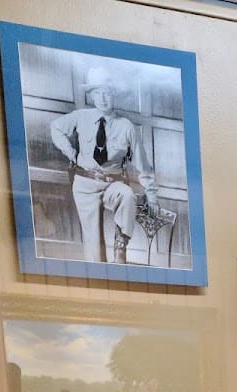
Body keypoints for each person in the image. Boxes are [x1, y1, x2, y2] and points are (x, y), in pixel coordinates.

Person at [49, 64, 159, 264]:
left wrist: (152, 197)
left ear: (114, 95)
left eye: (107, 92)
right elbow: (55, 127)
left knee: (127, 195)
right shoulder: (81, 117)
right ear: (91, 96)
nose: (102, 98)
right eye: (97, 93)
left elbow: (143, 165)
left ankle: (120, 247)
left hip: (112, 184)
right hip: (85, 185)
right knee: (94, 252)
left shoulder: (126, 127)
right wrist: (70, 152)